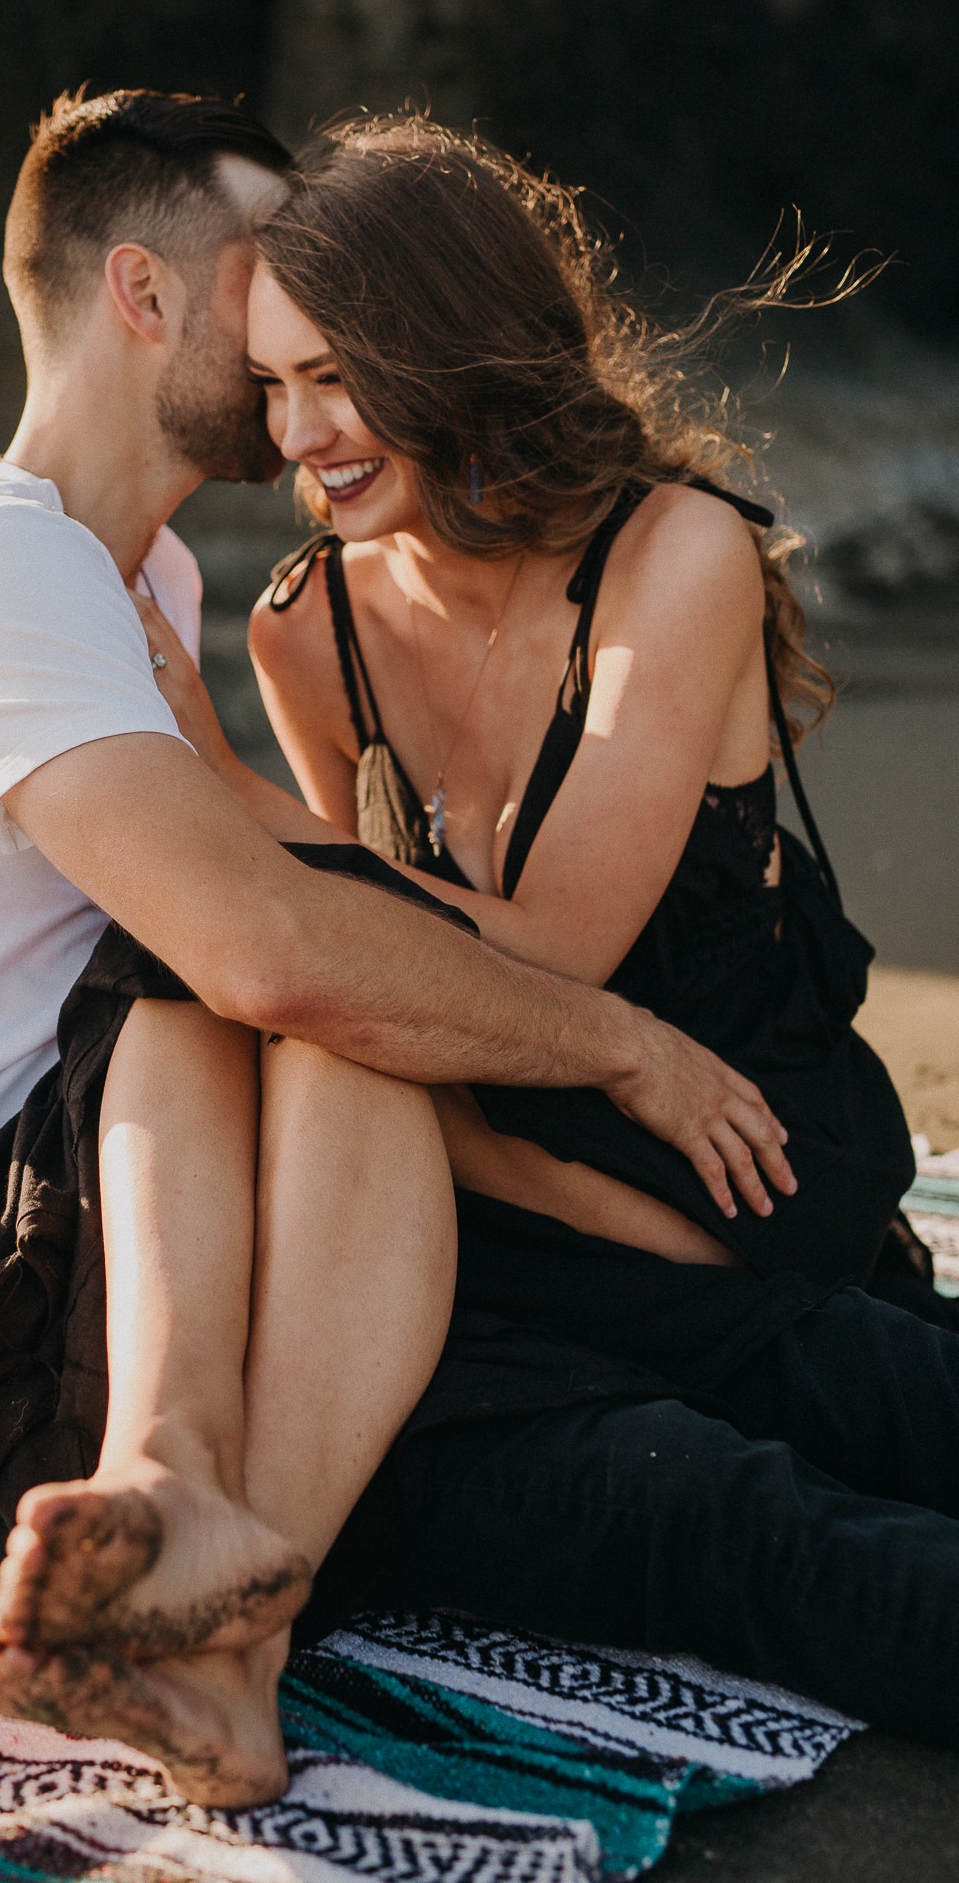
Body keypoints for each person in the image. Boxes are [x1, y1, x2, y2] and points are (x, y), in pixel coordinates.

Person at [0, 90, 785, 1807]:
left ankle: (225, 1626)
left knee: (305, 950)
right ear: (151, 296)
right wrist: (621, 1050)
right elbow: (265, 961)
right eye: (264, 271)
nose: (298, 322)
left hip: (80, 1262)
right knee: (264, 950)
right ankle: (183, 1501)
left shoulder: (136, 577)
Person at [130, 114, 959, 1750]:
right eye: (274, 387)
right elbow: (403, 979)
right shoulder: (312, 629)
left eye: (338, 376)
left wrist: (230, 796)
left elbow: (555, 946)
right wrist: (270, 828)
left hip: (755, 1170)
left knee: (878, 1406)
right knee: (741, 1511)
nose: (302, 434)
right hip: (527, 1195)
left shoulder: (674, 553)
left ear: (451, 346)